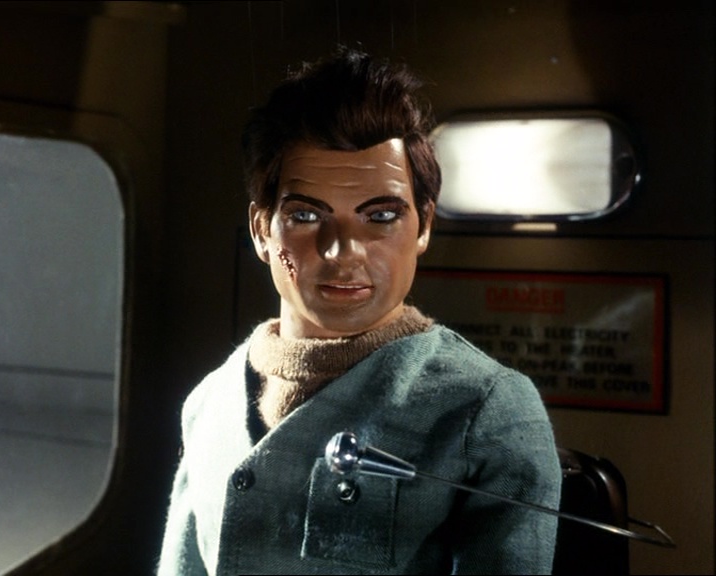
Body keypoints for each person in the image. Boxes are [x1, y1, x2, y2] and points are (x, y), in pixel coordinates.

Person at [158, 47, 562, 575]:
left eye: (381, 217)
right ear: (261, 230)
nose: (342, 251)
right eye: (306, 216)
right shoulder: (210, 403)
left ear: (424, 226)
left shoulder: (484, 410)